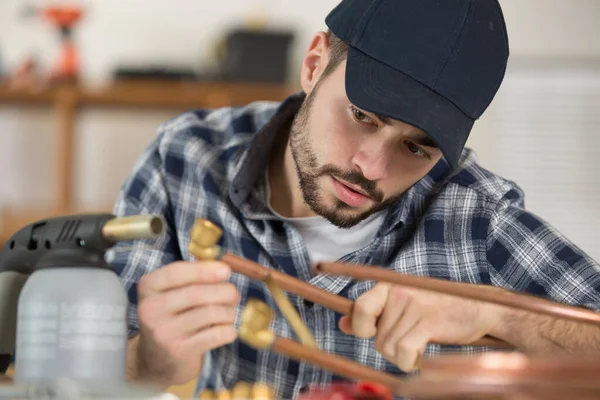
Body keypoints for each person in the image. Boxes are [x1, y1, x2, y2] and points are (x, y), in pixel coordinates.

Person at [109, 0, 600, 398]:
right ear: (314, 64)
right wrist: (147, 361)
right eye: (363, 115)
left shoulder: (477, 217)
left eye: (416, 146)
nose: (371, 168)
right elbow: (84, 372)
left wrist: (495, 311)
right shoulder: (188, 157)